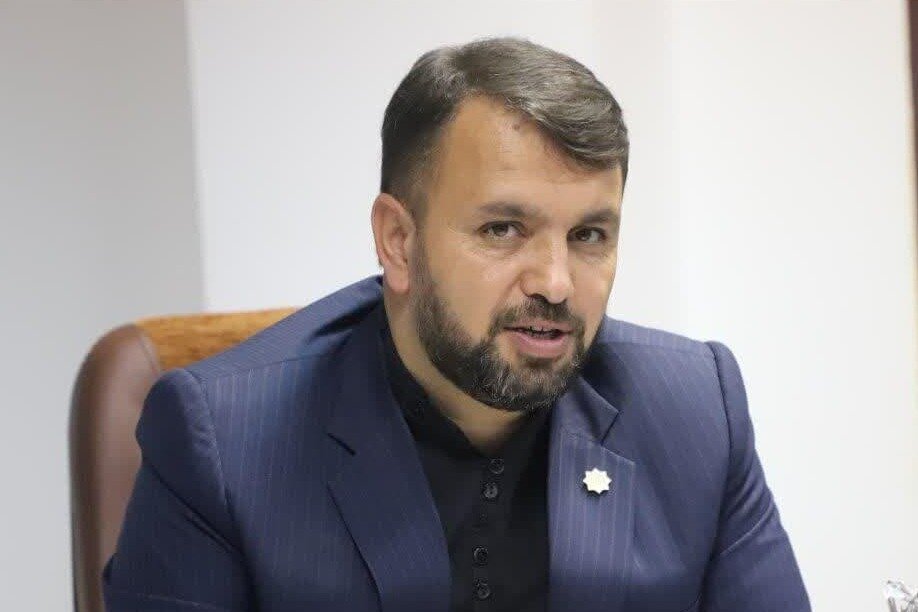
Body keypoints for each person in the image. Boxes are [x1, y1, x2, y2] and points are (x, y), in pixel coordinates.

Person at [103, 37, 810, 612]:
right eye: (503, 229)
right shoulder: (225, 444)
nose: (556, 283)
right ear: (398, 242)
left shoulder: (696, 411)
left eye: (589, 235)